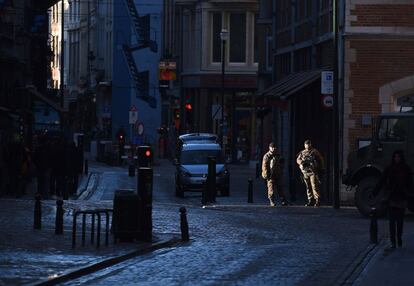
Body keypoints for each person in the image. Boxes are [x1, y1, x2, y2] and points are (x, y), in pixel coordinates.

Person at [374, 150, 413, 249]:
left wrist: (410, 194)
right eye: (395, 157)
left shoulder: (406, 169)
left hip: (401, 197)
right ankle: (393, 241)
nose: (397, 159)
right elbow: (382, 180)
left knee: (399, 221)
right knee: (392, 221)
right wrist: (374, 192)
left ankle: (399, 239)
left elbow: (410, 183)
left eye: (398, 157)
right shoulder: (390, 168)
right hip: (392, 197)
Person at [296, 139, 325, 207]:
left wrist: (322, 168)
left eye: (308, 144)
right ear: (304, 145)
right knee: (308, 187)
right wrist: (302, 163)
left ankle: (317, 200)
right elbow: (297, 159)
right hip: (305, 172)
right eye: (306, 144)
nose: (307, 145)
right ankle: (310, 200)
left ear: (310, 144)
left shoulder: (314, 151)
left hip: (313, 171)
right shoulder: (302, 152)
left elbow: (321, 159)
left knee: (314, 186)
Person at [262, 142, 287, 207]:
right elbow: (264, 166)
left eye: (274, 147)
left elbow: (282, 163)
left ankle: (283, 200)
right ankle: (272, 201)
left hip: (278, 174)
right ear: (269, 148)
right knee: (271, 189)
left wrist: (281, 170)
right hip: (270, 175)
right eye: (272, 147)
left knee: (280, 188)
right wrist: (267, 175)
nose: (273, 148)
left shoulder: (278, 155)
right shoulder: (267, 156)